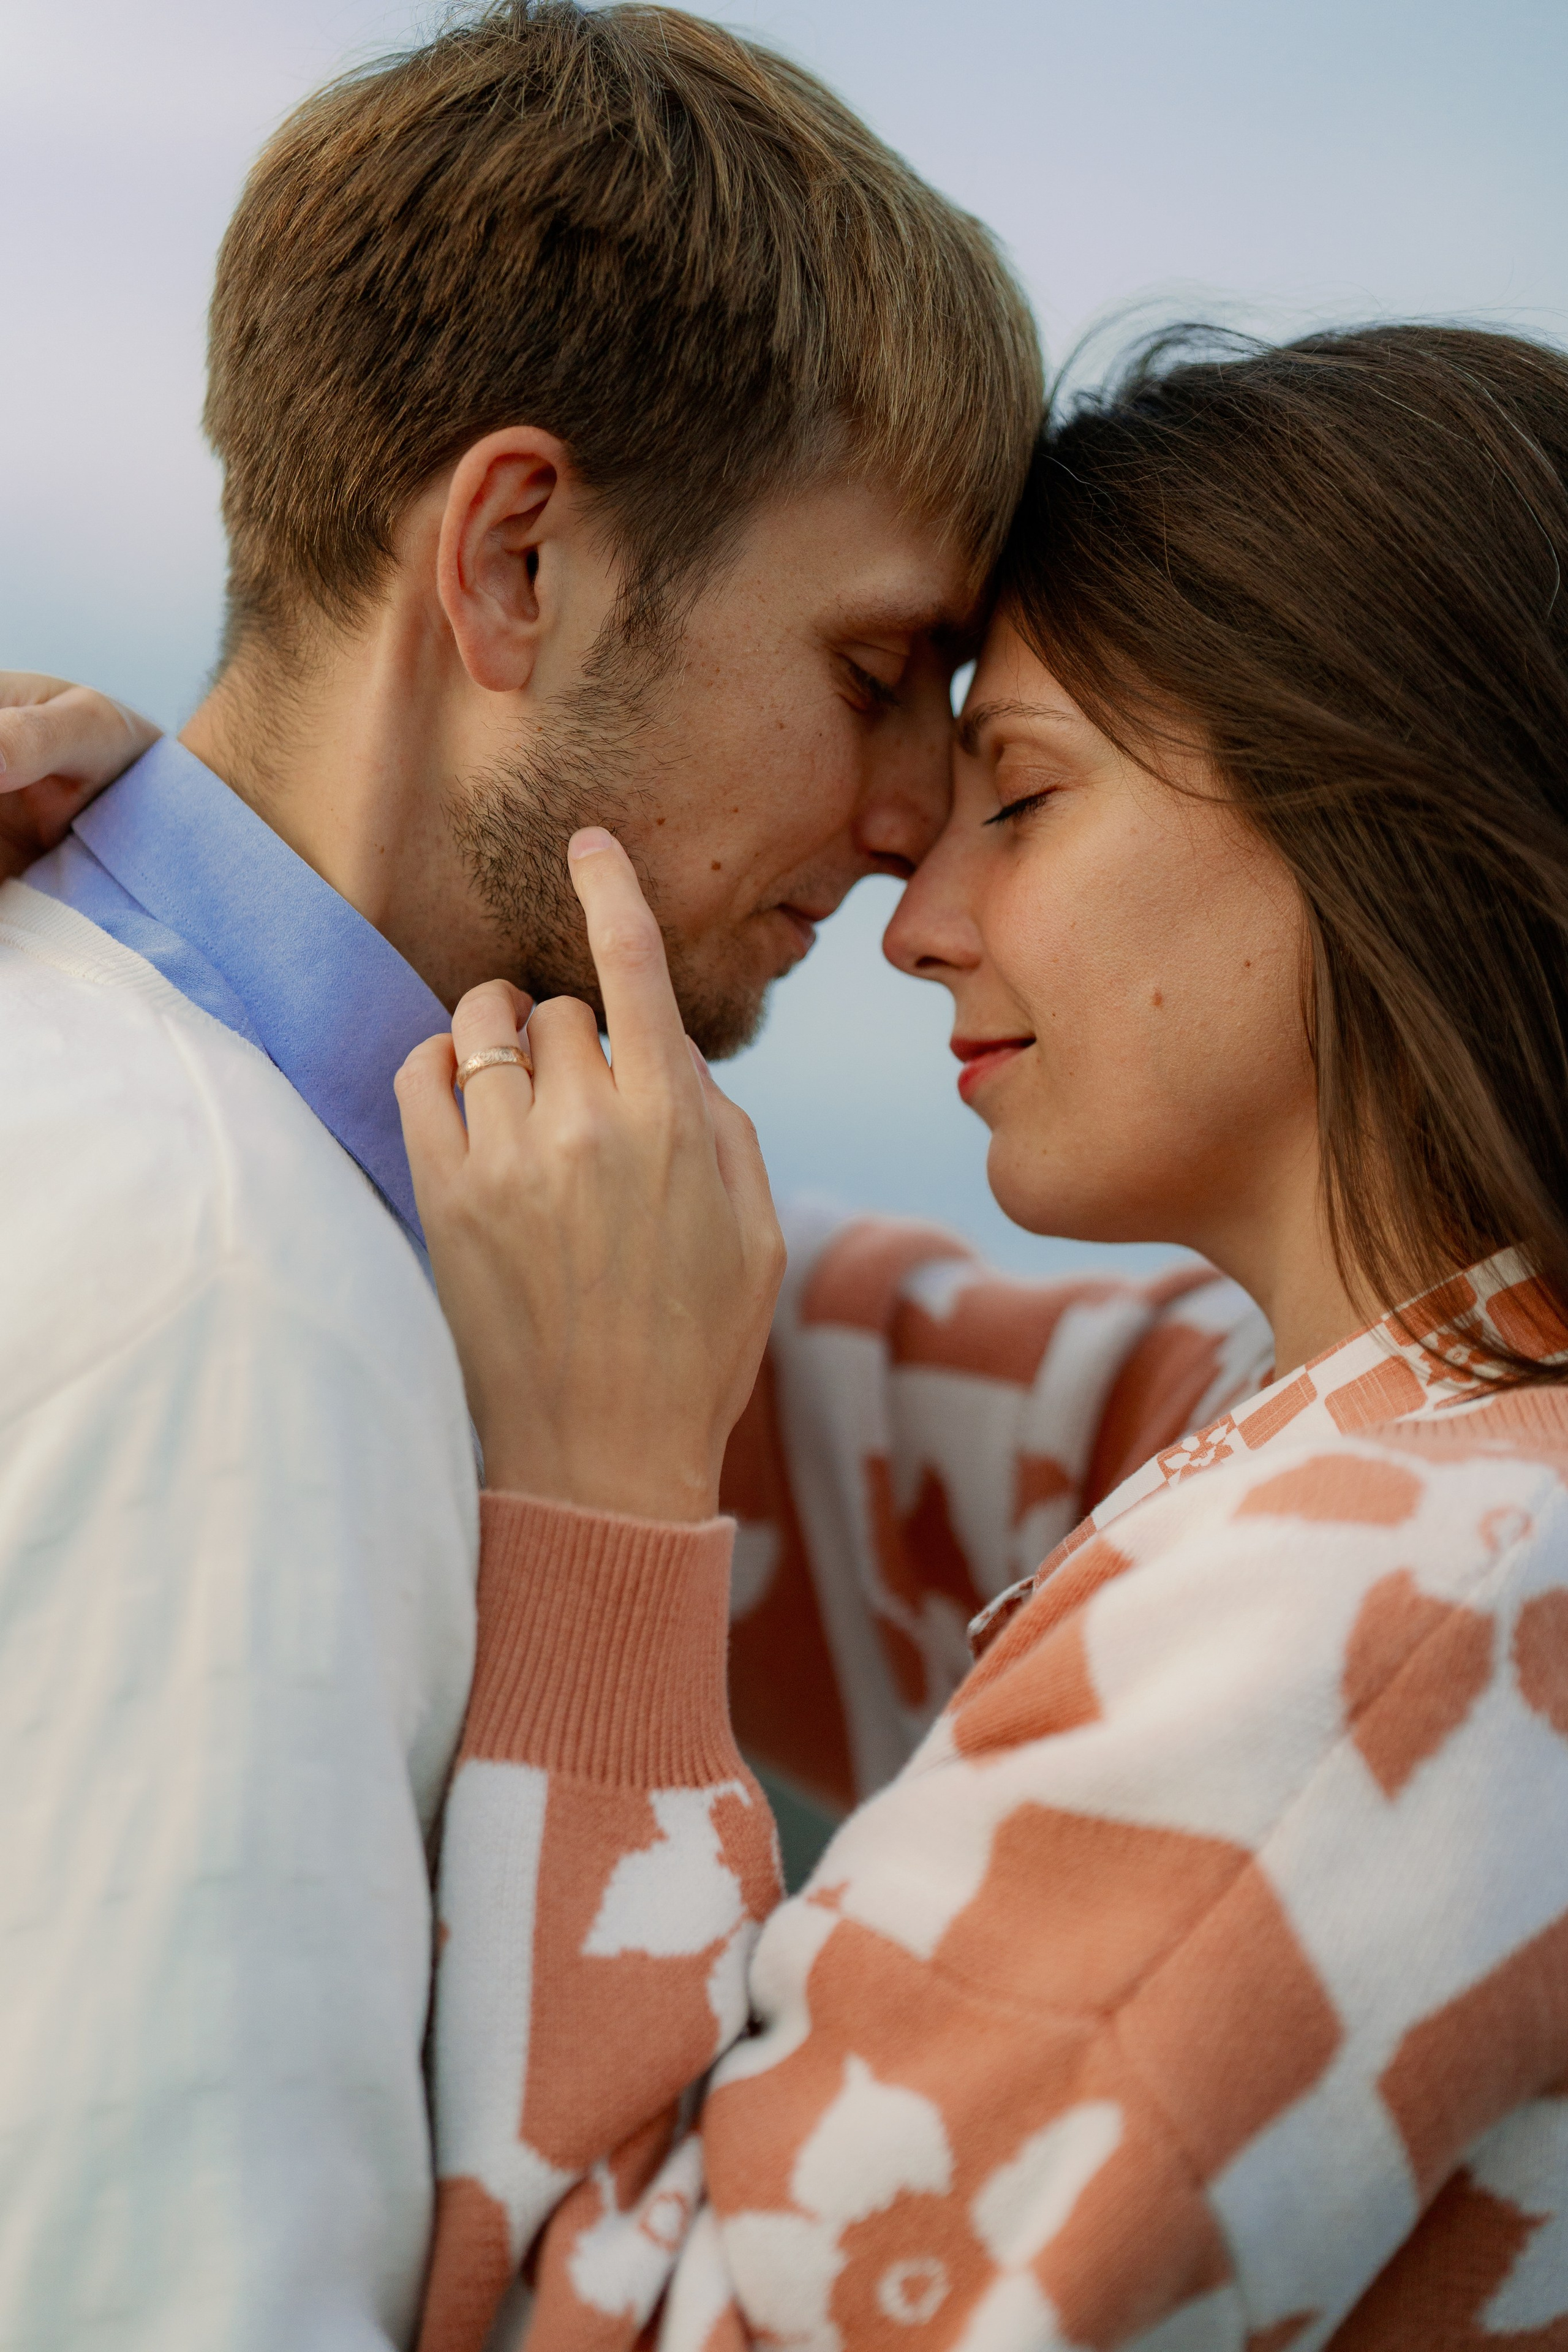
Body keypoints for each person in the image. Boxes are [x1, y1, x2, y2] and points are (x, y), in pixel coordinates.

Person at [0, 4, 1038, 2342]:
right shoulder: (232, 1291)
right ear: (520, 562)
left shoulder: (123, 1090)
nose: (908, 831)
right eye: (878, 668)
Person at [386, 321, 1568, 2348]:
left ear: (1391, 801)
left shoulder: (1414, 1598)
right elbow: (744, 1336)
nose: (919, 915)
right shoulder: (1326, 1433)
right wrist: (211, 867)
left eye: (1018, 799)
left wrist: (604, 1507)